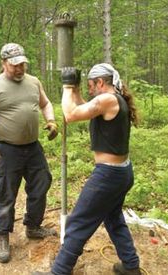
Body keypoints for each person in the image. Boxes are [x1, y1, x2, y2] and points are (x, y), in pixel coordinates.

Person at [33, 64, 141, 275]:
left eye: (91, 86)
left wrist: (66, 87)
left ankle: (59, 272)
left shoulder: (108, 99)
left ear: (101, 82)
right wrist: (78, 91)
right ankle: (131, 266)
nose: (90, 91)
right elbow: (85, 106)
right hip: (121, 173)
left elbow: (71, 115)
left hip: (108, 175)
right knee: (113, 219)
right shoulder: (111, 100)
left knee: (78, 222)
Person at [0, 43, 58, 263]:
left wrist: (51, 120)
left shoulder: (34, 82)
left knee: (41, 184)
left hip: (33, 147)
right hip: (7, 149)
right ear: (4, 63)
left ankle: (32, 226)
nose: (20, 68)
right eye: (15, 65)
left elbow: (46, 103)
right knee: (5, 193)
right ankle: (2, 235)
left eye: (22, 63)